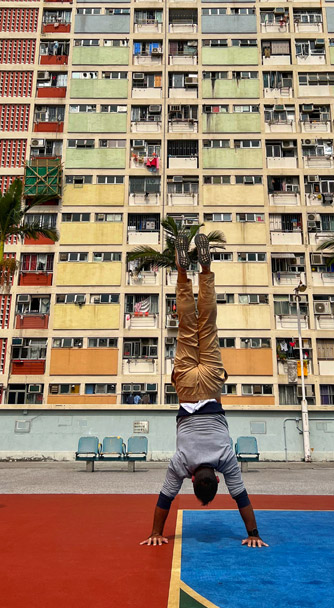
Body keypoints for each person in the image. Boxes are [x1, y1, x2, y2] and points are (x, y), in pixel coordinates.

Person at [140, 233, 267, 549]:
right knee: (186, 324)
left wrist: (254, 534)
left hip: (210, 384)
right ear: (193, 480)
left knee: (207, 323)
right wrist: (156, 532)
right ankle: (183, 273)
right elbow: (164, 499)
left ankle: (205, 269)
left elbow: (243, 499)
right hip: (185, 387)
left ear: (217, 479)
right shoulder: (181, 462)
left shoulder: (227, 459)